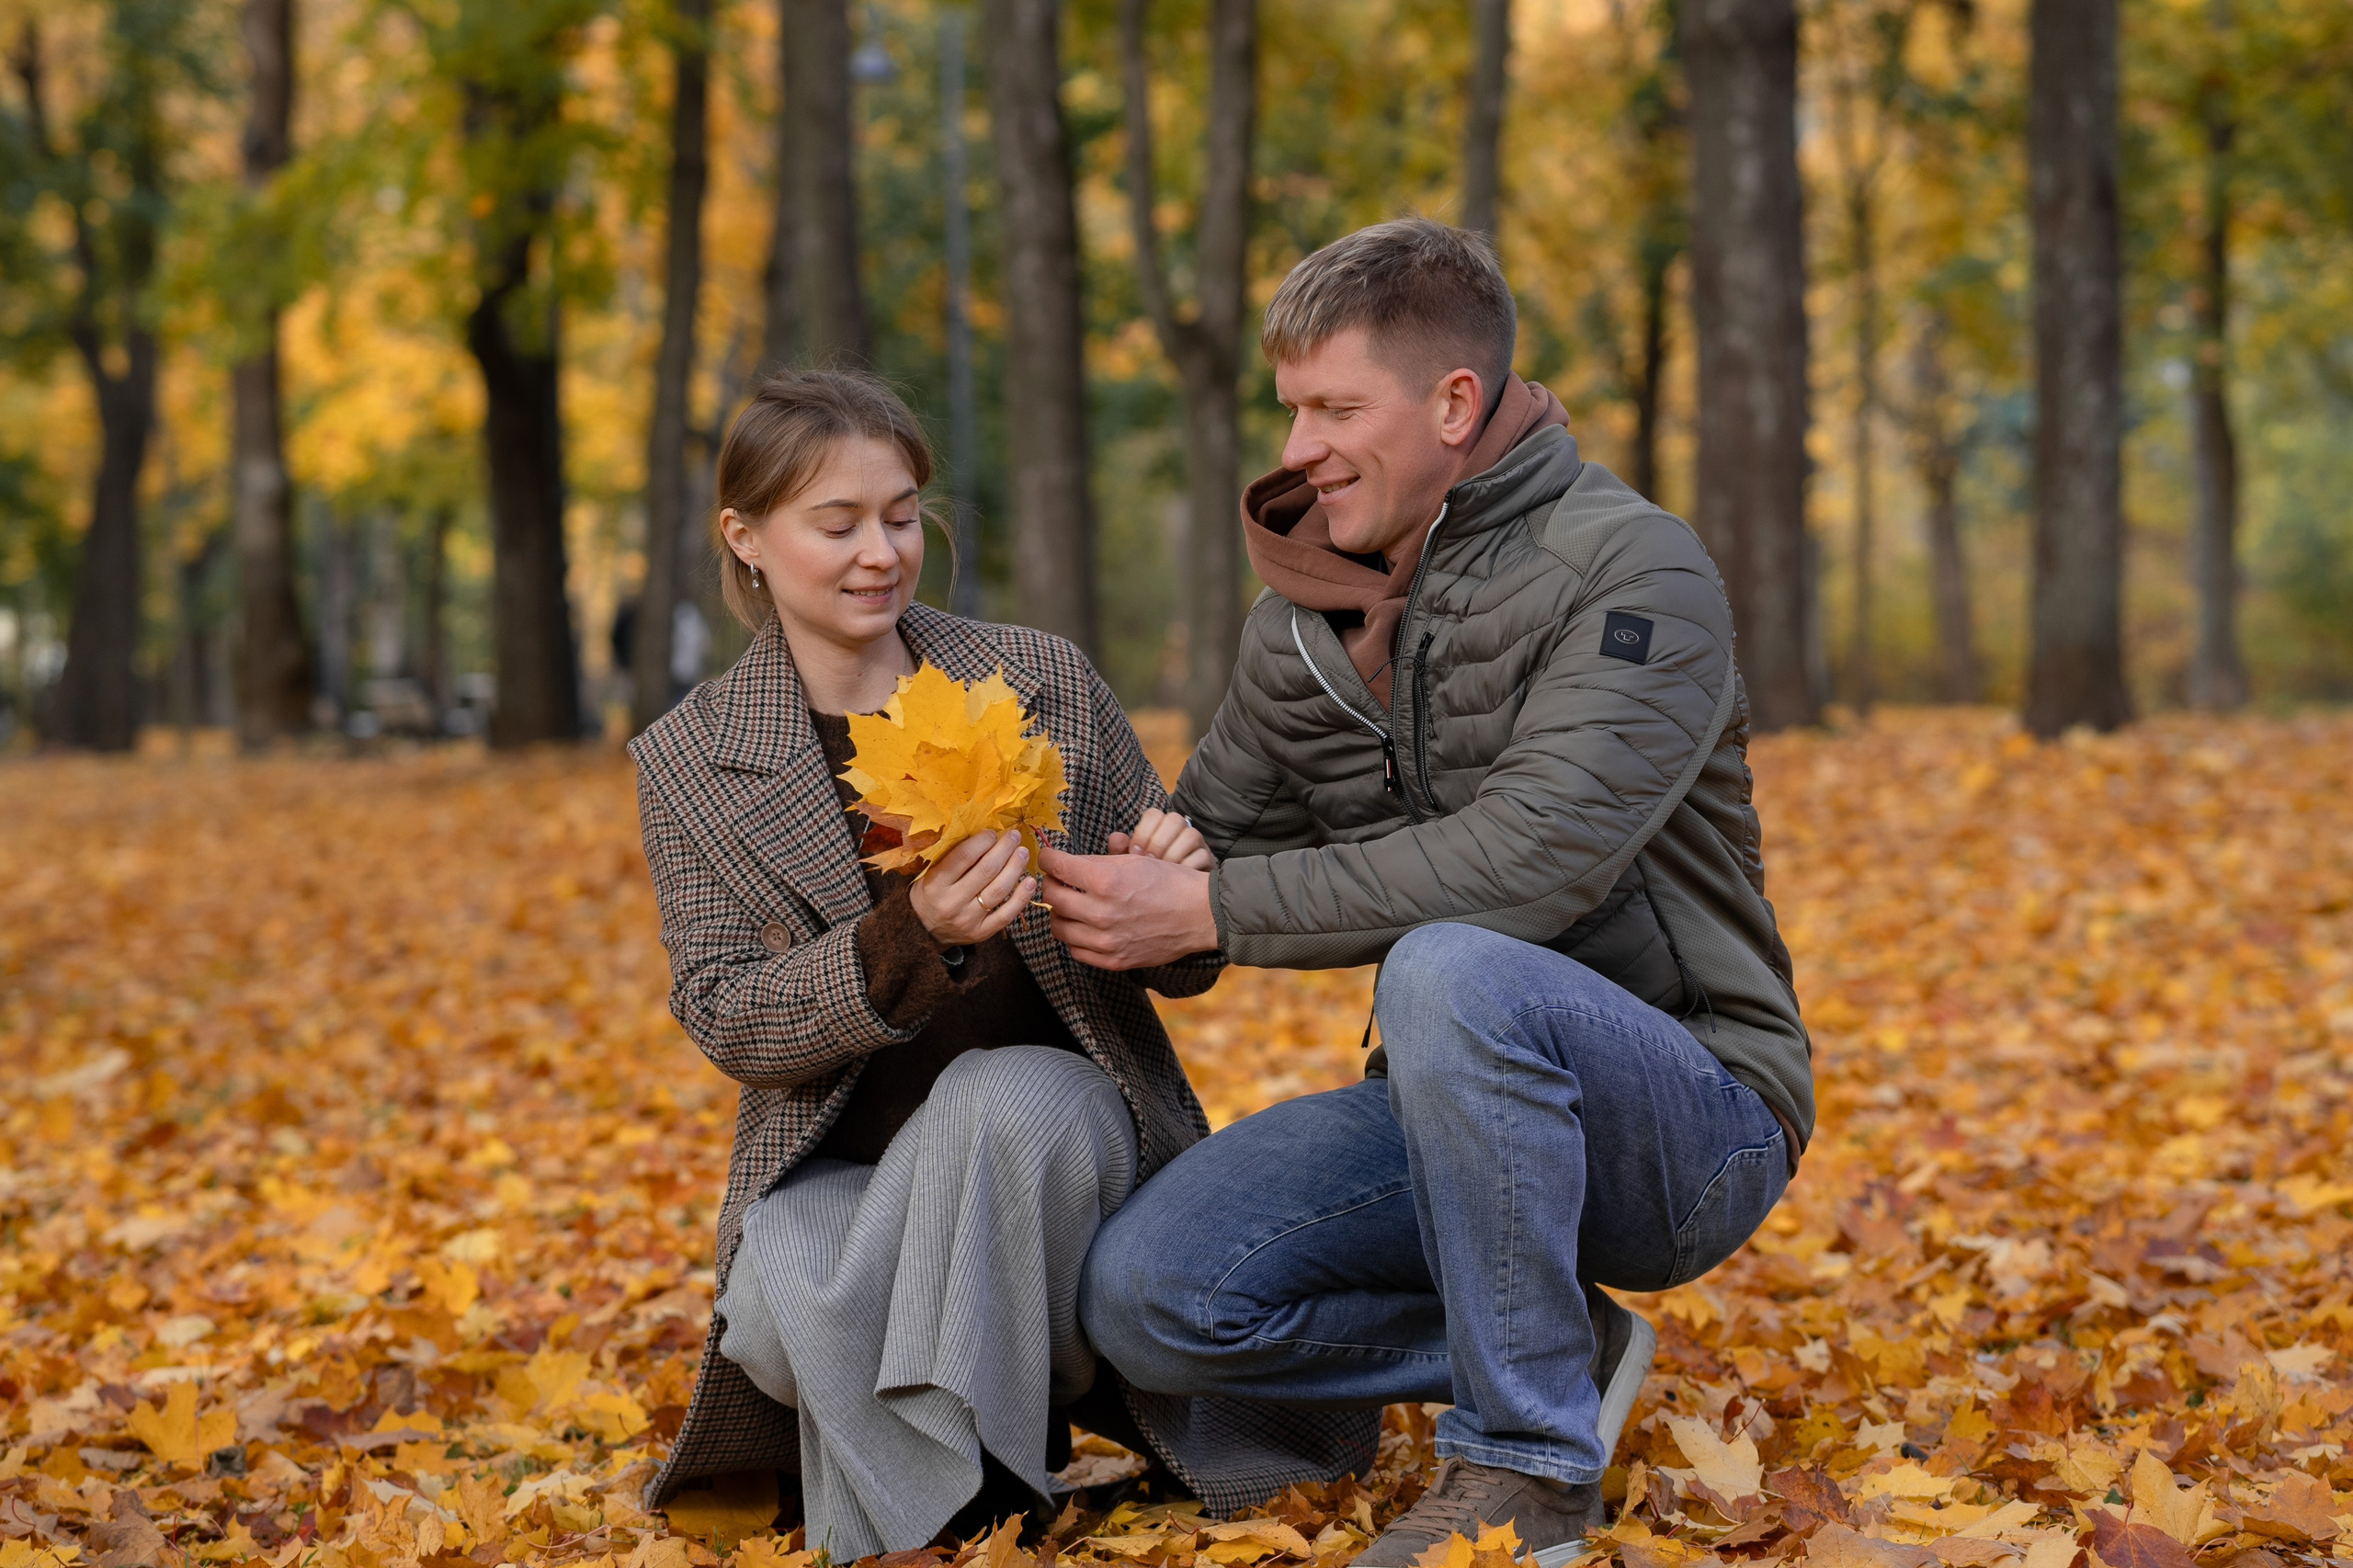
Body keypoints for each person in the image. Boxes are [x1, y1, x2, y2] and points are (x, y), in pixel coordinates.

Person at [1045, 220, 1815, 1565]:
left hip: (1692, 1115)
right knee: (1150, 1295)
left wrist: (1219, 909)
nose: (1298, 449)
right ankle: (1551, 1341)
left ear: (1455, 403)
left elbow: (1536, 859)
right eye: (1291, 410)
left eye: (1337, 409)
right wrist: (1135, 889)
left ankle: (1526, 1471)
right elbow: (1204, 851)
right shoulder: (1300, 626)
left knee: (1453, 960)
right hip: (1446, 1111)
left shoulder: (1636, 571)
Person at [631, 370, 1243, 1555]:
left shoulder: (1037, 678)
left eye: (902, 515)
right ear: (745, 538)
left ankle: (933, 1518)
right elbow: (726, 1016)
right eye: (838, 522)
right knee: (777, 1289)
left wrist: (1174, 891)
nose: (881, 553)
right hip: (851, 1169)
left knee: (993, 1096)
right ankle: (978, 1499)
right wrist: (908, 943)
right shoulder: (691, 758)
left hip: (1062, 1144)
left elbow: (1183, 966)